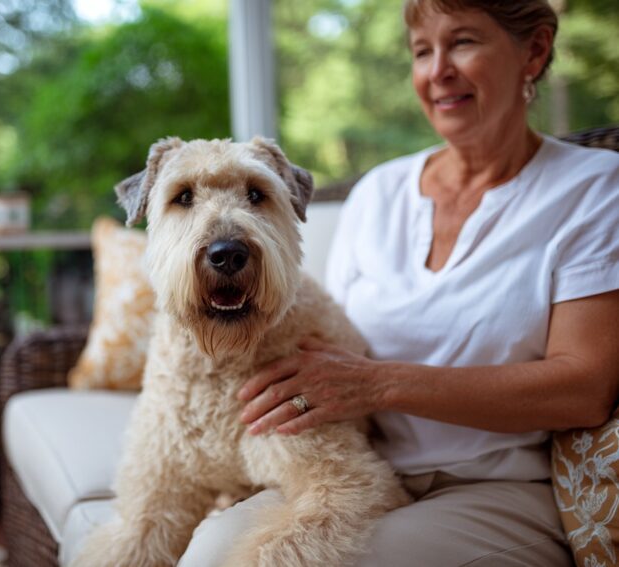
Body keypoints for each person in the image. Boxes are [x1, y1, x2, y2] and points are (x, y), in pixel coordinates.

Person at [178, 0, 619, 565]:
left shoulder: (593, 190)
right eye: (421, 51)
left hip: (493, 489)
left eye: (463, 42)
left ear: (533, 51)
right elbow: (323, 344)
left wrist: (380, 385)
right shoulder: (379, 193)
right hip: (356, 472)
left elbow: (584, 388)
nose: (438, 71)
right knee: (210, 552)